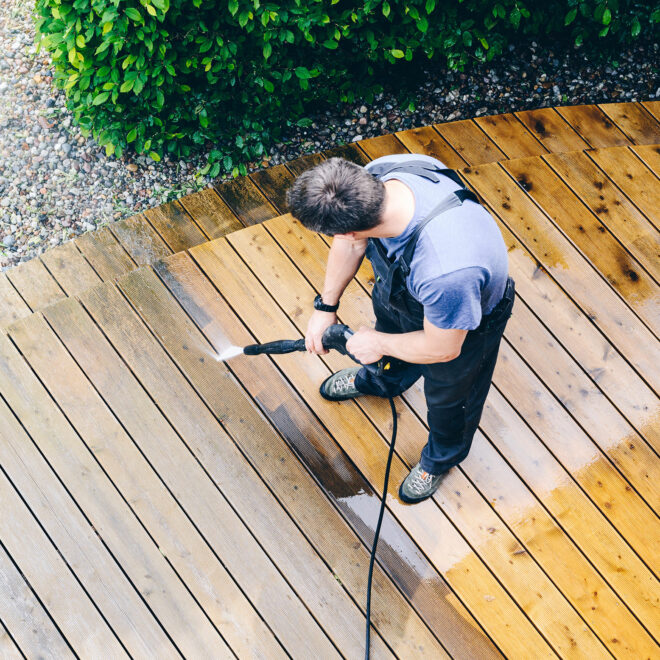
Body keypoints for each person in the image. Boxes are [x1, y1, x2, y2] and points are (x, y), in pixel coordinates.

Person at [285, 154, 514, 503]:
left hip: (462, 328)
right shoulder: (378, 175)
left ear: (348, 226)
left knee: (451, 401)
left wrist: (377, 342)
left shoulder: (446, 270)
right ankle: (382, 382)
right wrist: (326, 307)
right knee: (387, 346)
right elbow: (351, 242)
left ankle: (440, 459)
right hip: (402, 295)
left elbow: (442, 348)